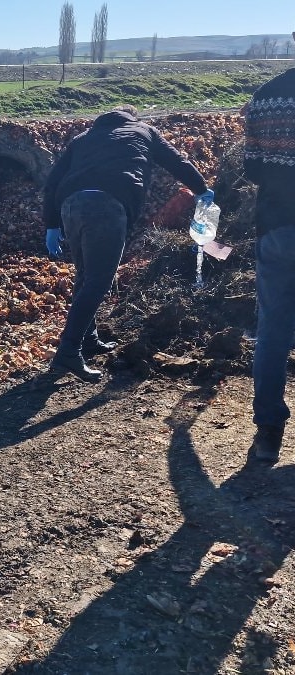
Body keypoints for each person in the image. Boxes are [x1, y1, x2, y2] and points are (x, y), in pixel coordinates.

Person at [42, 104, 213, 382]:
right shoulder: (143, 130)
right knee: (98, 282)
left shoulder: (83, 138)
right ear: (133, 117)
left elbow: (51, 183)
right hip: (106, 206)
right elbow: (177, 163)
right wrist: (202, 190)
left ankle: (88, 339)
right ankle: (68, 351)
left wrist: (51, 223)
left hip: (71, 206)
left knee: (85, 277)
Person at [243, 67, 295, 463]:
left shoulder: (266, 95)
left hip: (276, 226)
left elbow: (253, 169)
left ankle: (268, 433)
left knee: (272, 329)